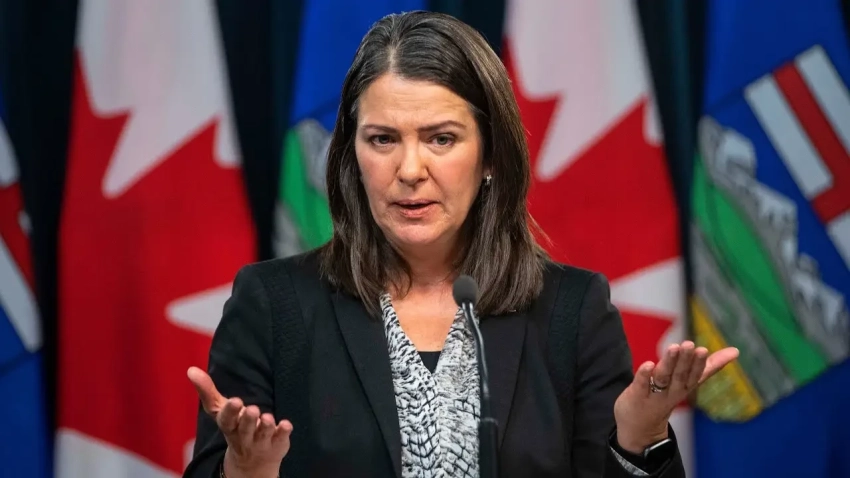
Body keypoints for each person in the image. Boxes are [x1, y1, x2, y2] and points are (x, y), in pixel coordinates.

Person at [183, 11, 738, 478]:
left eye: (441, 139)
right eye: (383, 139)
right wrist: (245, 473)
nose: (409, 170)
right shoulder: (273, 305)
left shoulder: (572, 311)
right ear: (352, 156)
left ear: (490, 155)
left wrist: (639, 440)